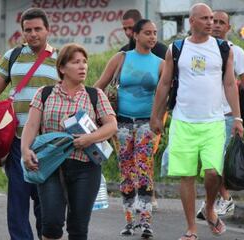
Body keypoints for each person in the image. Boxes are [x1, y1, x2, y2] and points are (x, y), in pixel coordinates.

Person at [149, 3, 244, 240]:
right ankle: (191, 229)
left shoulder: (224, 49)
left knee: (213, 172)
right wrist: (156, 115)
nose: (211, 22)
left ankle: (210, 208)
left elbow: (230, 84)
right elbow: (164, 84)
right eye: (205, 18)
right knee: (187, 175)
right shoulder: (177, 49)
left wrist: (238, 116)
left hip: (213, 122)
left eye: (212, 18)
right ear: (192, 21)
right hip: (183, 121)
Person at [0, 8, 58, 240]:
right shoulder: (12, 56)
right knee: (18, 202)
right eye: (27, 30)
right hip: (17, 141)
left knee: (46, 202)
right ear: (22, 33)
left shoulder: (60, 58)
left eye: (37, 29)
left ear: (48, 30)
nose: (33, 34)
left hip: (48, 142)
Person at [21, 43, 117, 240]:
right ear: (62, 68)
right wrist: (24, 150)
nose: (83, 67)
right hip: (50, 166)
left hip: (86, 167)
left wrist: (89, 138)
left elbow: (111, 126)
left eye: (84, 62)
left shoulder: (94, 94)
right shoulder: (45, 93)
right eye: (76, 62)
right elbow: (31, 126)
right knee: (51, 224)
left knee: (79, 227)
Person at [94, 19, 163, 238]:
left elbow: (166, 94)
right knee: (126, 169)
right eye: (147, 33)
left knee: (144, 168)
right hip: (121, 122)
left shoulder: (161, 63)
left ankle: (146, 221)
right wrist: (88, 107)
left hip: (146, 123)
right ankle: (129, 220)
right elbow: (99, 86)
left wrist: (160, 118)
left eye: (155, 33)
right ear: (136, 35)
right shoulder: (121, 58)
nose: (152, 37)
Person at [196, 10, 244, 219]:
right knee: (207, 161)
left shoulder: (237, 52)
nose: (216, 25)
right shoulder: (198, 50)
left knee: (214, 161)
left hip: (226, 116)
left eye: (220, 22)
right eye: (212, 20)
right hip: (201, 116)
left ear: (228, 27)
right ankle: (215, 201)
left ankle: (225, 200)